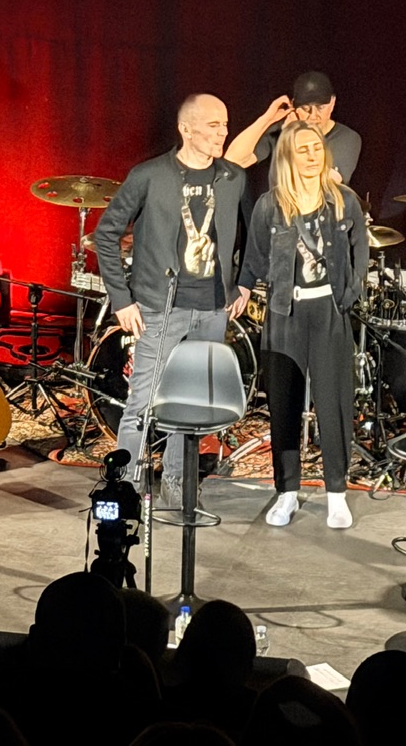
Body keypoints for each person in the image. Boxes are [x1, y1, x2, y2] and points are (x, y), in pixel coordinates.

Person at [92, 94, 248, 506]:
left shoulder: (232, 178)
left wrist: (244, 283)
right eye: (213, 125)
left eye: (225, 124)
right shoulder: (149, 175)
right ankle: (124, 487)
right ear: (186, 129)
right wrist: (121, 299)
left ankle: (177, 485)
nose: (223, 133)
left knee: (191, 404)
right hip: (160, 307)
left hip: (212, 308)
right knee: (142, 403)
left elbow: (249, 236)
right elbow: (105, 234)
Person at [237, 121, 367, 529]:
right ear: (288, 157)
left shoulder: (344, 201)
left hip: (329, 311)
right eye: (303, 149)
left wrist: (349, 295)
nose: (312, 156)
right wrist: (241, 289)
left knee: (334, 403)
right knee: (284, 404)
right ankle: (287, 492)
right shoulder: (269, 206)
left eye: (316, 148)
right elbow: (254, 258)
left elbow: (360, 251)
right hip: (285, 313)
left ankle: (336, 495)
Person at [223, 71, 363, 186]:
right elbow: (233, 160)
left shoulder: (346, 138)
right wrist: (267, 119)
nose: (313, 116)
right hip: (278, 210)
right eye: (306, 109)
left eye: (321, 108)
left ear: (332, 103)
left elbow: (321, 184)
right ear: (293, 106)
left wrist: (291, 140)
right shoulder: (280, 131)